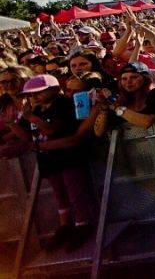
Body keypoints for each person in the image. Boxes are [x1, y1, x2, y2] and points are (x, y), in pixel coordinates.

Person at [2, 75, 96, 251]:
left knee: (74, 191)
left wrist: (32, 118)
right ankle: (65, 226)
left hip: (67, 157)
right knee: (59, 194)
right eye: (31, 94)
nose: (35, 97)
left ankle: (83, 224)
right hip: (47, 159)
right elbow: (26, 136)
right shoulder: (34, 110)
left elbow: (52, 129)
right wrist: (11, 124)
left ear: (53, 90)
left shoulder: (62, 104)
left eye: (39, 92)